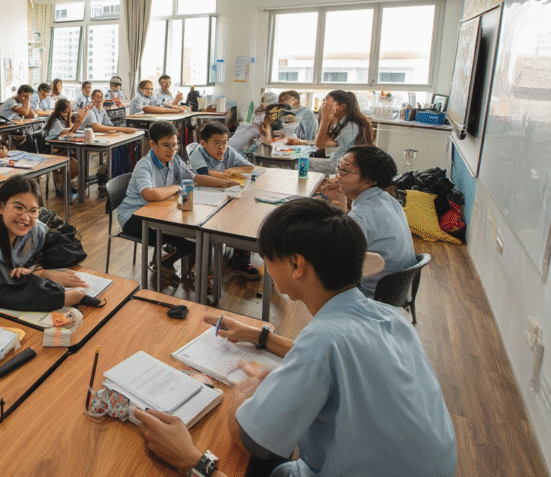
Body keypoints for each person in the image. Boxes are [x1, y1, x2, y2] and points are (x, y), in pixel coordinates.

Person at [135, 198, 456, 477]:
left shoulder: (323, 340)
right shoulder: (391, 319)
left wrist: (196, 453)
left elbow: (251, 439)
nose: (264, 266)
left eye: (266, 257)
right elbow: (335, 361)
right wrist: (259, 336)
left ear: (296, 264)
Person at [0, 175, 88, 311]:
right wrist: (60, 298)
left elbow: (72, 247)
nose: (25, 218)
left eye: (33, 211)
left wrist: (39, 270)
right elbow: (2, 291)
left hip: (8, 304)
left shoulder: (32, 228)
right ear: (1, 207)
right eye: (18, 208)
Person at [116, 121, 225, 287]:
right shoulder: (144, 165)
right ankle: (181, 269)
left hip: (160, 212)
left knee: (199, 233)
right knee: (194, 235)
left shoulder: (174, 160)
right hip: (134, 217)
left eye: (175, 145)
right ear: (152, 144)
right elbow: (149, 194)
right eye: (166, 145)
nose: (172, 150)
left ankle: (167, 263)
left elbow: (194, 177)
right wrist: (176, 187)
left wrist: (225, 183)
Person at [320, 145, 416, 298]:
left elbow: (332, 257)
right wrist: (340, 201)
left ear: (370, 180)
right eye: (339, 167)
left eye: (345, 171)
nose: (337, 175)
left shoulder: (362, 216)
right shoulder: (388, 200)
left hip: (370, 295)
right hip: (396, 292)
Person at [187, 122, 261, 280]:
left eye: (225, 142)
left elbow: (249, 168)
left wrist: (233, 170)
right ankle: (202, 267)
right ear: (203, 144)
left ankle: (240, 258)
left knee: (242, 214)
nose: (222, 148)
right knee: (213, 224)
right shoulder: (197, 154)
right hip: (202, 199)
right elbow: (204, 175)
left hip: (224, 195)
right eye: (216, 143)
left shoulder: (228, 151)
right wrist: (227, 177)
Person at [309, 90, 374, 174]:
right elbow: (322, 144)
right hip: (335, 163)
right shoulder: (340, 123)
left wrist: (325, 119)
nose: (323, 105)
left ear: (341, 106)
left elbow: (320, 143)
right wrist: (329, 119)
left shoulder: (351, 126)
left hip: (342, 167)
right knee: (303, 162)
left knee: (302, 163)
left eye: (327, 101)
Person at [44, 98, 82, 195]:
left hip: (61, 147)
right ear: (59, 111)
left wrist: (69, 116)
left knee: (79, 156)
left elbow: (69, 127)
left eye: (69, 111)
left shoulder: (62, 118)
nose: (67, 114)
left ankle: (66, 183)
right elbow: (69, 131)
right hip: (51, 148)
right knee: (73, 164)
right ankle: (61, 185)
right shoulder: (55, 120)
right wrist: (78, 123)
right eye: (65, 112)